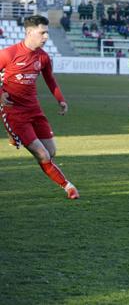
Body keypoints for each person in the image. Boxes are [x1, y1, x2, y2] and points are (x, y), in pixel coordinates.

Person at [0, 15, 79, 199]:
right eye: (42, 33)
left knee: (51, 152)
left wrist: (61, 99)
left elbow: (50, 80)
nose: (45, 37)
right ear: (29, 32)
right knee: (43, 155)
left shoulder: (43, 57)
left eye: (47, 33)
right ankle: (68, 187)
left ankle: (14, 135)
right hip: (14, 112)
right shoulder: (8, 54)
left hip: (35, 110)